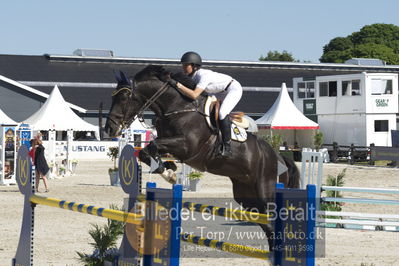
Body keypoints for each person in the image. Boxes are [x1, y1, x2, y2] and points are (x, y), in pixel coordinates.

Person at [174, 51, 243, 157]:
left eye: (185, 65)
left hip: (232, 89)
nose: (183, 68)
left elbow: (194, 95)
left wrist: (178, 85)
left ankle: (227, 147)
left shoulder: (203, 75)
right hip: (219, 93)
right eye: (183, 65)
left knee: (222, 113)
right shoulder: (193, 77)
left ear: (194, 66)